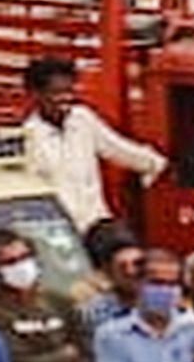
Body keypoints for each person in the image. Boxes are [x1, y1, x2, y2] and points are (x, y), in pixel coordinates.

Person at [20, 58, 169, 236]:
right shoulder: (28, 136)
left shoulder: (83, 119)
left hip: (97, 224)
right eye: (56, 92)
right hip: (59, 231)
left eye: (69, 90)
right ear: (36, 94)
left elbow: (119, 149)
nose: (66, 98)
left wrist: (157, 164)